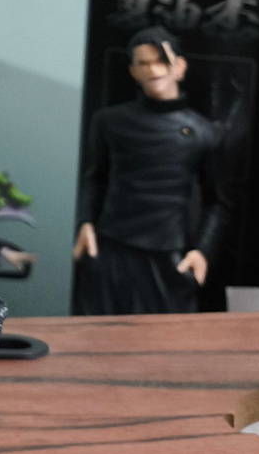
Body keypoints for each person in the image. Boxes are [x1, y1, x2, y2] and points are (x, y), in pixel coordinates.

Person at [72, 26, 228, 314]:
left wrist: (202, 252)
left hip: (168, 257)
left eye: (161, 61)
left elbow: (217, 203)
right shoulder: (109, 121)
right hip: (111, 250)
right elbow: (95, 179)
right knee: (100, 333)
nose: (153, 69)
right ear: (133, 71)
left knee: (165, 338)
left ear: (179, 67)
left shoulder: (203, 132)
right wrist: (85, 222)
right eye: (143, 63)